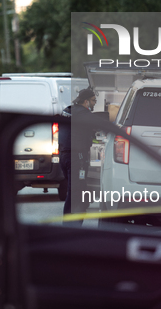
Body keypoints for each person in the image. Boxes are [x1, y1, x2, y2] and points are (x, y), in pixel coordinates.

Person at [59, 88, 97, 225]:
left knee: (76, 189)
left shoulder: (68, 110)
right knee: (75, 192)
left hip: (64, 156)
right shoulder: (84, 114)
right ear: (86, 101)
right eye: (93, 101)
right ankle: (70, 225)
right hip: (77, 157)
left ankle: (74, 221)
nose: (94, 103)